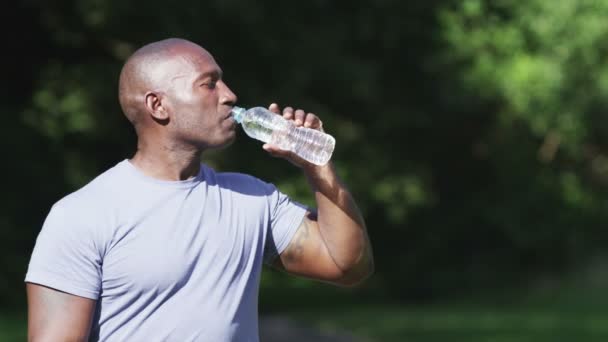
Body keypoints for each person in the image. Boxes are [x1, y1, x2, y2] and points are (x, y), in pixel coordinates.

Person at [25, 38, 374, 341]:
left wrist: (317, 168)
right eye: (209, 84)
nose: (230, 96)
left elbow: (347, 266)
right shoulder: (84, 214)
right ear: (158, 106)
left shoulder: (253, 199)